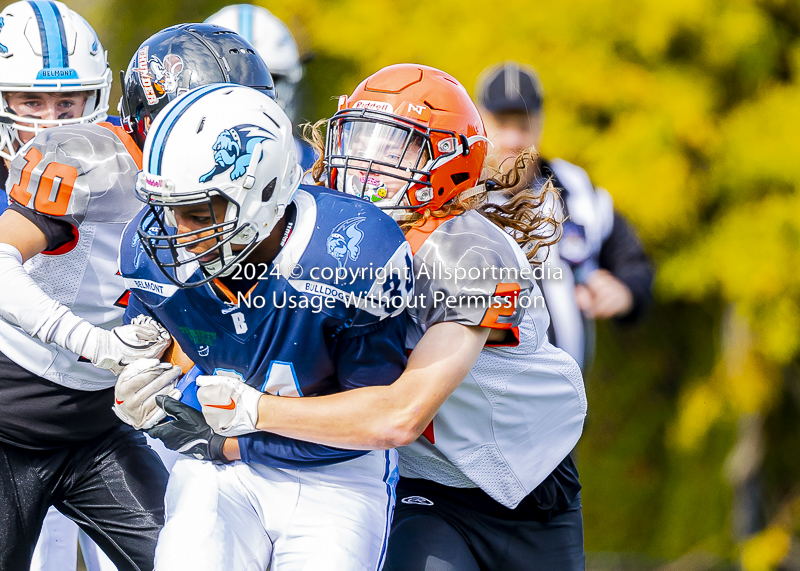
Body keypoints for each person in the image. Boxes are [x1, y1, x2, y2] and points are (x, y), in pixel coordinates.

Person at [196, 64, 588, 570]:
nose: (367, 162)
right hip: (423, 488)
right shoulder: (319, 229)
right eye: (360, 138)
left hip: (529, 482)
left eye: (394, 146)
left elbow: (402, 414)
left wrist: (251, 416)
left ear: (449, 162)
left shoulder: (467, 255)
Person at [114, 83, 413, 570]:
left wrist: (256, 413)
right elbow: (161, 361)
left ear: (263, 193)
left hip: (334, 475)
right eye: (166, 211)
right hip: (221, 468)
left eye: (195, 213)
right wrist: (140, 386)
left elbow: (378, 418)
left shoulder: (350, 253)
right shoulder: (152, 251)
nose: (177, 235)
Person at [0, 2, 174, 569]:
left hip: (98, 428)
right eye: (31, 102)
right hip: (7, 429)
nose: (52, 121)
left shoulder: (114, 166)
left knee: (183, 556)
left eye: (68, 102)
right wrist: (91, 342)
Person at [475, 60, 654, 370]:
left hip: (565, 408)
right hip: (479, 404)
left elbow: (634, 262)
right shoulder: (460, 194)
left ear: (541, 123)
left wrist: (623, 292)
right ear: (479, 122)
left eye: (524, 125)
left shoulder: (575, 189)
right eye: (502, 124)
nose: (514, 140)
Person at [205, 3, 317, 172]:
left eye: (268, 79)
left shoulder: (320, 170)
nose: (251, 98)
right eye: (233, 82)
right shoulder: (172, 163)